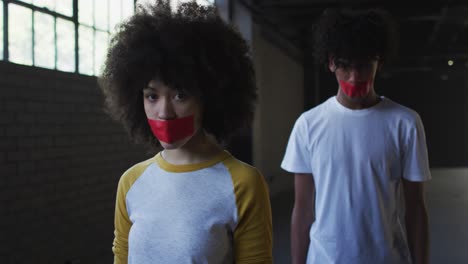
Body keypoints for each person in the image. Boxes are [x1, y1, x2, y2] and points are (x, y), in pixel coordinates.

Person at [98, 1, 272, 263]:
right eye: (152, 95)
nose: (165, 112)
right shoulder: (131, 182)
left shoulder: (243, 184)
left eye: (180, 94)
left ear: (209, 97)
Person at [281, 8, 431, 264]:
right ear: (330, 63)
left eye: (363, 66)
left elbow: (415, 208)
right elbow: (303, 209)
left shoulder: (405, 123)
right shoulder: (308, 125)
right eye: (344, 66)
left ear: (379, 62)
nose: (354, 77)